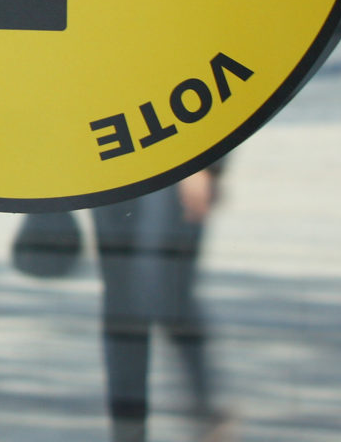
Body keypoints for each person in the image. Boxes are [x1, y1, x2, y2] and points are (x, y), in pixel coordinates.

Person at [91, 169, 234, 442]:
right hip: (105, 162)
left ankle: (201, 407)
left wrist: (204, 165)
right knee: (124, 298)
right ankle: (130, 426)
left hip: (170, 158)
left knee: (168, 291)